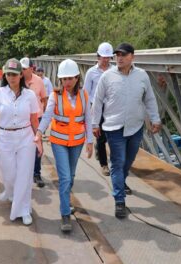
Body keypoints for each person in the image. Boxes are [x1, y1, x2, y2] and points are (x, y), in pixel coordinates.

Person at [92, 43, 161, 219]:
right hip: (114, 128)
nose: (119, 58)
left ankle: (120, 183)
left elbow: (150, 98)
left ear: (132, 57)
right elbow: (98, 101)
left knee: (128, 161)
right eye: (117, 55)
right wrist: (94, 124)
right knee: (117, 161)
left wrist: (155, 118)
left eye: (123, 54)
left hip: (135, 127)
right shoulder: (107, 77)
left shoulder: (142, 75)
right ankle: (120, 201)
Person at [35, 59, 93, 232]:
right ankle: (65, 214)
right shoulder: (55, 95)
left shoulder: (84, 95)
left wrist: (90, 141)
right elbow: (46, 116)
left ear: (77, 78)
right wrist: (39, 132)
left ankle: (66, 201)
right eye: (63, 79)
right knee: (65, 177)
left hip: (77, 142)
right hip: (59, 141)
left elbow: (88, 119)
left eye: (70, 79)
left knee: (72, 175)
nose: (66, 83)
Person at [0, 58, 42, 226]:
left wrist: (38, 140)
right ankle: (10, 190)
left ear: (21, 75)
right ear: (5, 75)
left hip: (25, 137)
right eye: (9, 74)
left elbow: (34, 120)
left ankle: (24, 209)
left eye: (15, 74)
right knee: (10, 174)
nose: (12, 77)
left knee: (24, 176)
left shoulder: (30, 95)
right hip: (4, 138)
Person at [84, 42, 115, 177]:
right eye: (103, 57)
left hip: (112, 107)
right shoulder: (91, 72)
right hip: (96, 107)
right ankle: (104, 164)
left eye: (108, 57)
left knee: (113, 136)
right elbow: (86, 92)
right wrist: (86, 110)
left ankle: (109, 157)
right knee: (101, 137)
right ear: (98, 56)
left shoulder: (114, 70)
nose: (106, 60)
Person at [20, 57, 47, 188]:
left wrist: (42, 113)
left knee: (37, 146)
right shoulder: (17, 81)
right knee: (24, 147)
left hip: (38, 118)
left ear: (31, 68)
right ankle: (25, 173)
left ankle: (37, 173)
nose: (22, 71)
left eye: (24, 69)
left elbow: (44, 99)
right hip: (23, 120)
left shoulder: (39, 81)